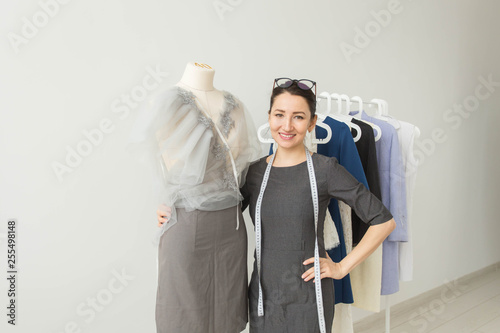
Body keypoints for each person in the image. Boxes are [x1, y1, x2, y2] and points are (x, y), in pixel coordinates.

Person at [157, 77, 396, 332]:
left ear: (312, 123)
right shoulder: (254, 173)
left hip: (309, 300)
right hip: (263, 299)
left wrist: (340, 267)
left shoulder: (325, 170)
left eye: (299, 117)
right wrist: (175, 211)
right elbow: (219, 214)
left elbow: (384, 221)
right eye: (280, 115)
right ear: (269, 117)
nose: (287, 125)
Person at [135, 62, 260, 333]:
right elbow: (159, 164)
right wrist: (164, 200)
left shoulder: (234, 105)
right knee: (183, 311)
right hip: (186, 221)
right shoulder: (164, 103)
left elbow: (242, 170)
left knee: (226, 309)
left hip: (231, 225)